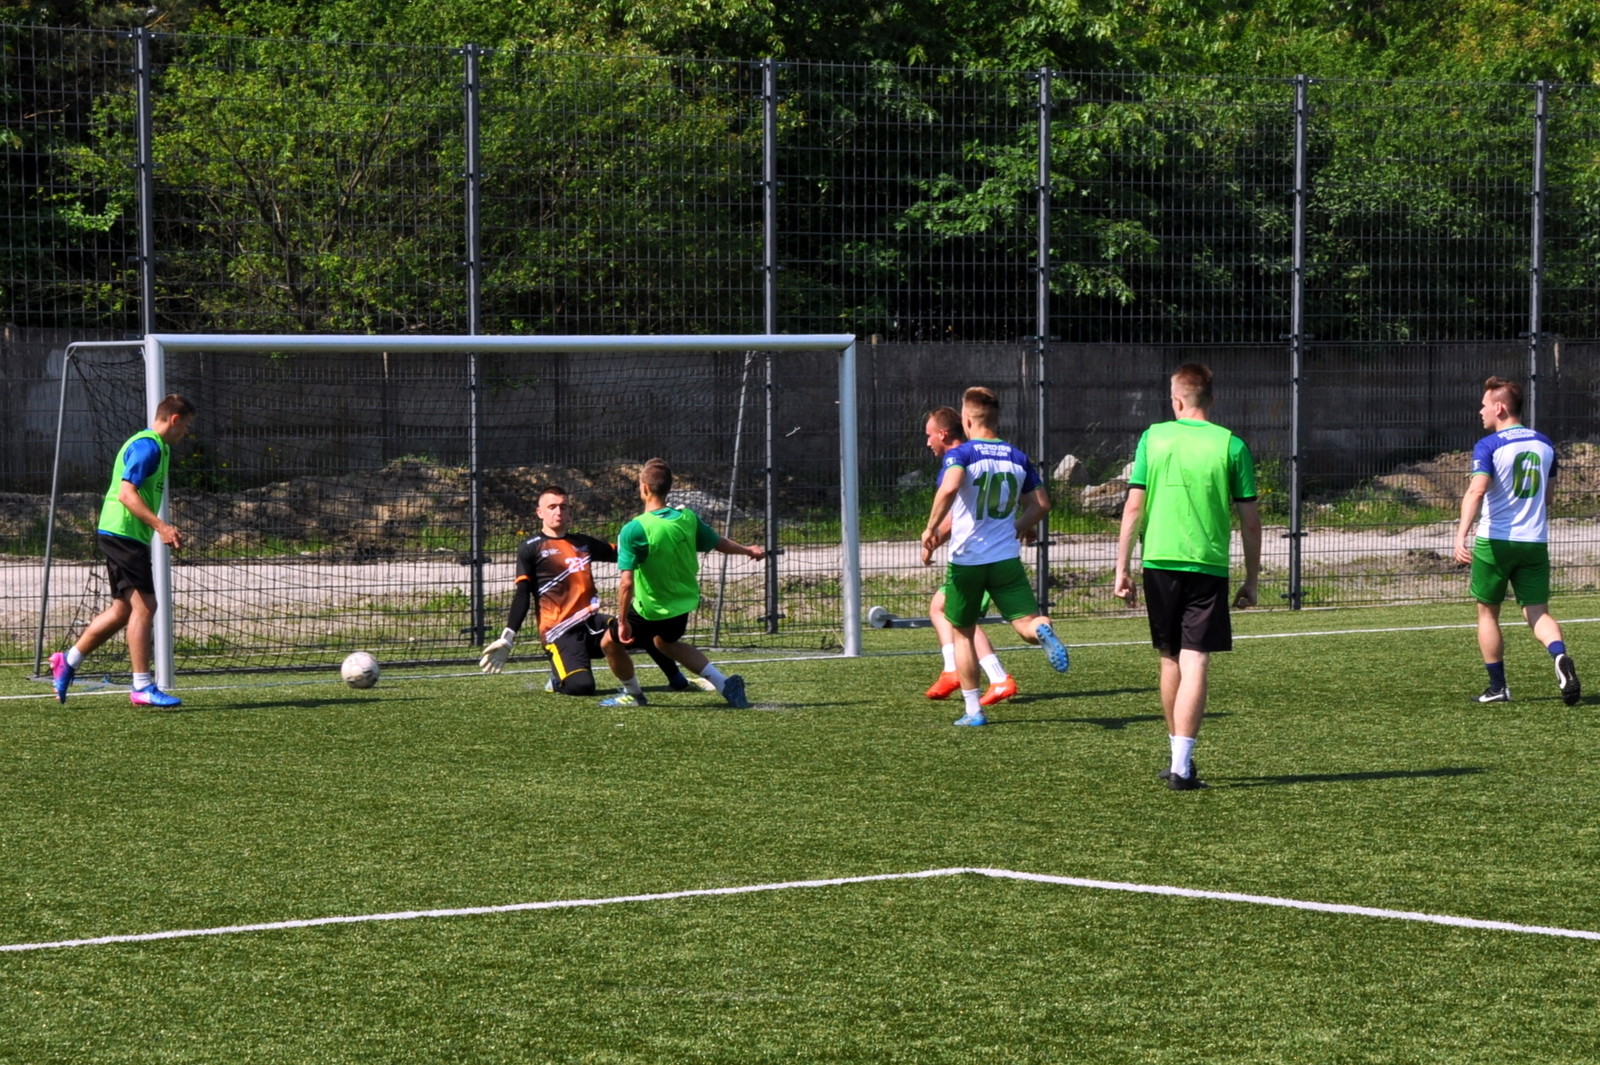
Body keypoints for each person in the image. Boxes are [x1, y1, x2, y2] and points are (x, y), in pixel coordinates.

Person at [1113, 363, 1261, 791]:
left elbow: (1134, 507)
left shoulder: (1153, 437)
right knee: (1196, 659)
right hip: (1207, 564)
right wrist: (1251, 579)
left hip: (1158, 561)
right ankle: (1181, 764)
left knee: (1170, 657)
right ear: (1212, 400)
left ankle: (1177, 758)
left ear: (1175, 400)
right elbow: (1250, 521)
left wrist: (1122, 568)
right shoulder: (1231, 444)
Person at [920, 387, 1069, 727]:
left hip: (968, 561)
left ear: (967, 419)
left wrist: (930, 528)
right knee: (1026, 624)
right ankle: (1043, 629)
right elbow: (1041, 505)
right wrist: (1018, 526)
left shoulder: (963, 454)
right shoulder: (1017, 456)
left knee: (962, 632)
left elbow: (950, 487)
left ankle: (973, 711)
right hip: (1005, 560)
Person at [478, 484, 700, 697]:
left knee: (643, 628)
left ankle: (677, 679)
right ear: (539, 513)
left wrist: (664, 525)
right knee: (582, 687)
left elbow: (625, 552)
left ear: (569, 511)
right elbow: (522, 594)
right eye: (552, 507)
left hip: (592, 624)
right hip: (560, 633)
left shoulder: (582, 542)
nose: (558, 511)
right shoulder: (530, 547)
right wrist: (508, 637)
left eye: (563, 506)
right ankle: (557, 679)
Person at [50, 393, 197, 708]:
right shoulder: (148, 447)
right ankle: (142, 686)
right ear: (174, 419)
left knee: (122, 610)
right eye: (186, 426)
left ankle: (68, 660)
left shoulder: (159, 447)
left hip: (122, 533)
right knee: (146, 606)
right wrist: (162, 527)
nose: (186, 433)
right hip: (123, 534)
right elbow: (126, 495)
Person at [1452, 376, 1580, 706]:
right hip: (1534, 541)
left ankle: (1498, 688)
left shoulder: (1489, 445)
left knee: (1487, 615)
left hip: (1495, 542)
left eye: (1484, 405)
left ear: (1500, 408)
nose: (1480, 411)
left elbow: (1476, 490)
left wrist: (1461, 534)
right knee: (1537, 612)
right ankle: (1559, 655)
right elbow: (1548, 498)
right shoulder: (1545, 444)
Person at [607, 458, 765, 708]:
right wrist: (748, 550)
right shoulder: (688, 518)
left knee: (609, 642)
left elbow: (626, 583)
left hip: (652, 608)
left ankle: (634, 695)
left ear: (644, 488)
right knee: (665, 642)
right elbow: (718, 542)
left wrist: (623, 620)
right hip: (682, 605)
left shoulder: (634, 529)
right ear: (668, 488)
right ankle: (725, 685)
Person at [920, 406, 1016, 707]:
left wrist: (932, 536)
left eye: (929, 435)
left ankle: (994, 678)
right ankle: (959, 671)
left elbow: (956, 515)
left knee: (960, 618)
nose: (927, 442)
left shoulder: (960, 459)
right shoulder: (985, 454)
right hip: (992, 552)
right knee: (943, 608)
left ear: (943, 433)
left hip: (978, 556)